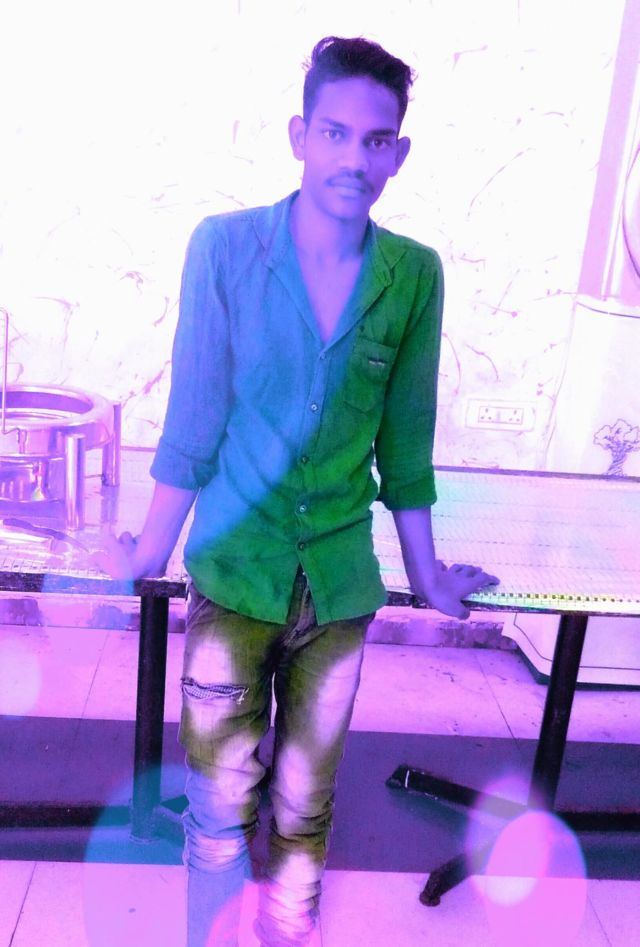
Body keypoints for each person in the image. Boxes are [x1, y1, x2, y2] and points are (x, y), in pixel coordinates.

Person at [103, 35, 499, 947]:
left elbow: (406, 444)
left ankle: (286, 932)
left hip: (339, 591)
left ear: (398, 154)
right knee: (218, 803)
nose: (353, 158)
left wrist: (428, 574)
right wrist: (146, 555)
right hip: (233, 576)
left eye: (376, 140)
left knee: (304, 800)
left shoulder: (413, 275)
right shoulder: (225, 249)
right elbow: (194, 421)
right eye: (334, 133)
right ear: (298, 136)